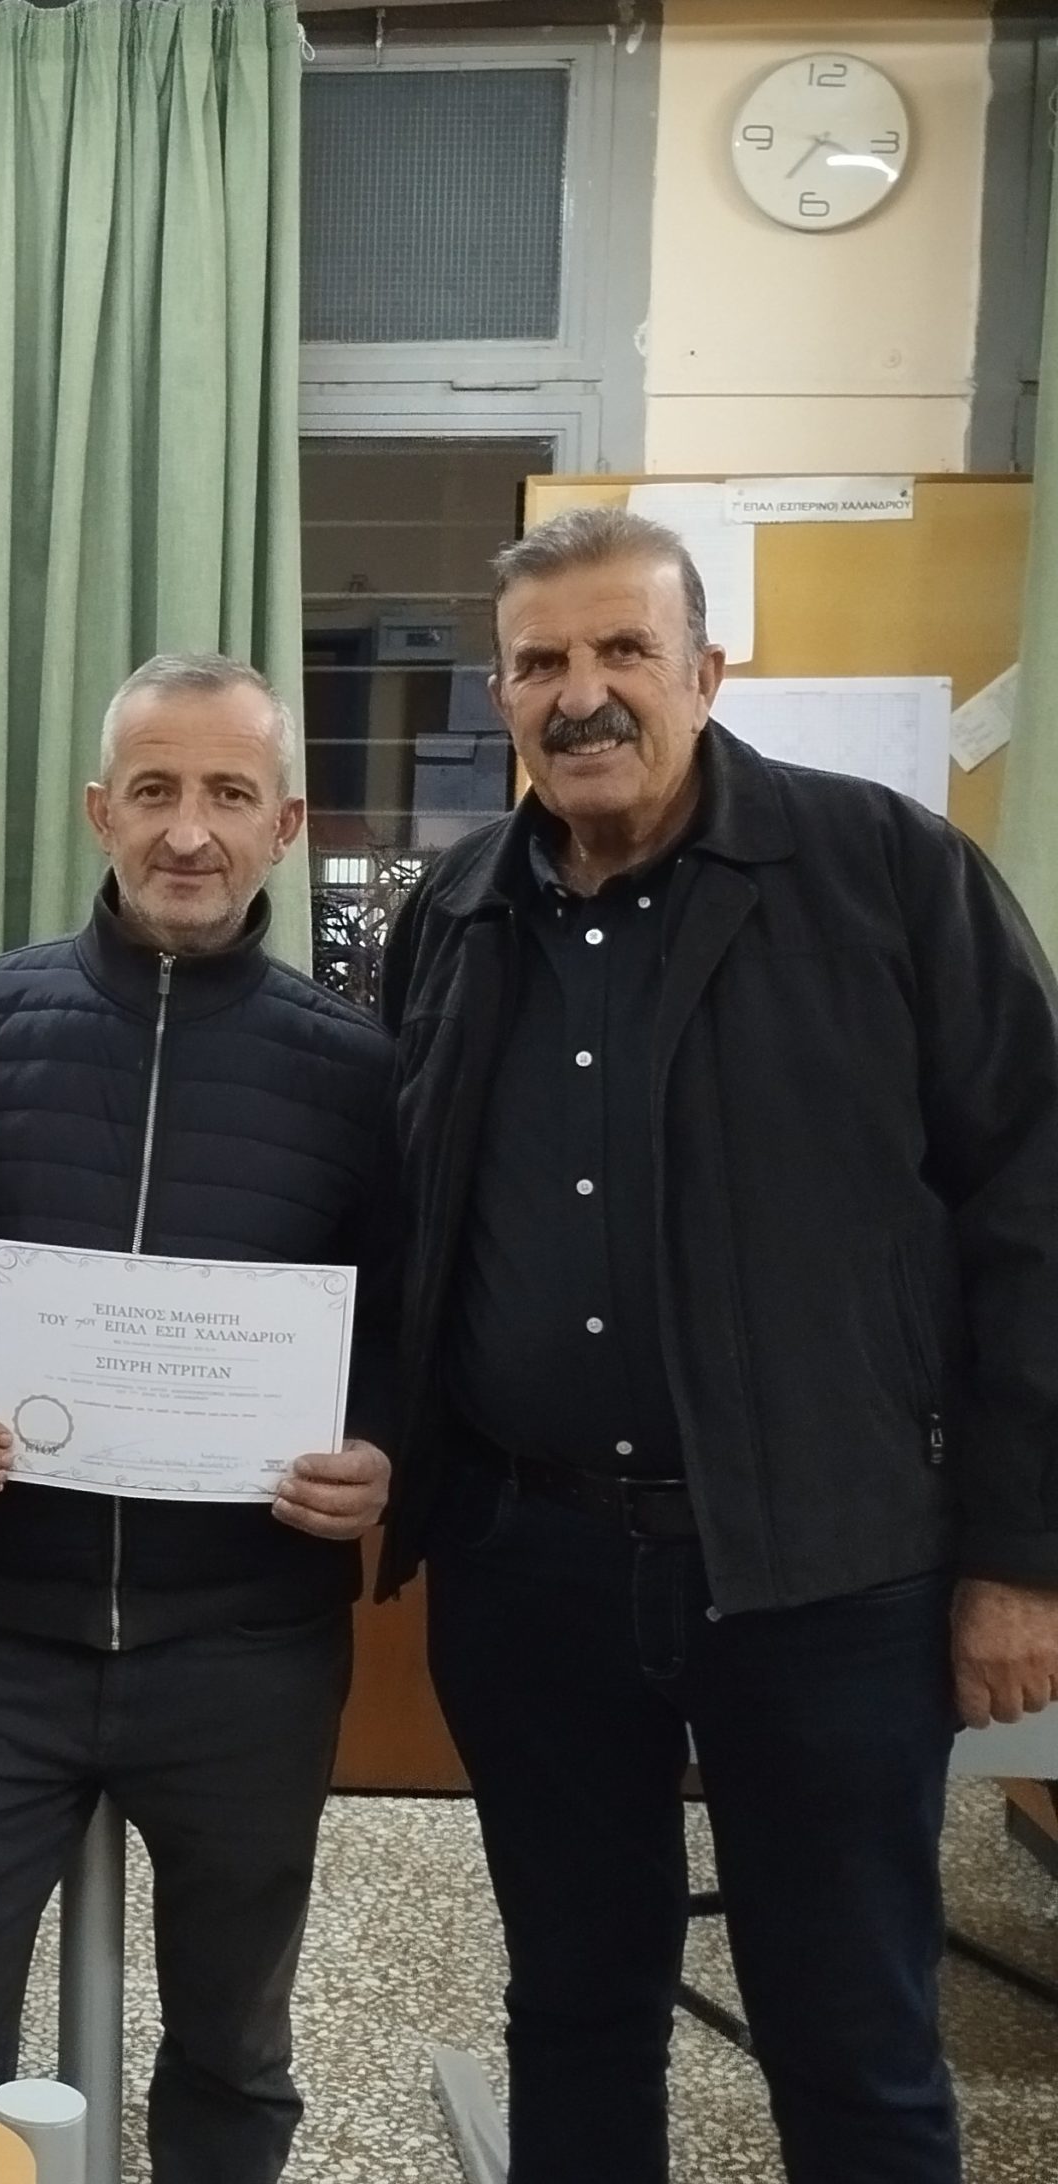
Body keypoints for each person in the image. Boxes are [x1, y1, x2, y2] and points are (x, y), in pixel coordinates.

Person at [380, 504, 1058, 2184]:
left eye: (626, 649)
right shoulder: (454, 912)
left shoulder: (888, 873)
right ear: (502, 694)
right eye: (542, 661)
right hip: (532, 1566)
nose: (583, 693)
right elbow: (407, 1217)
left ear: (707, 671)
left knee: (851, 2032)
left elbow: (1035, 1214)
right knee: (574, 2004)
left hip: (823, 1571)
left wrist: (1022, 1559)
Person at [0, 654, 396, 2184]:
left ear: (285, 826)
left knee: (234, 2051)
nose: (188, 831)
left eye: (228, 795)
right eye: (154, 791)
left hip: (248, 1652)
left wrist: (384, 1452)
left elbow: (407, 1329)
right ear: (99, 811)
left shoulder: (358, 1075)